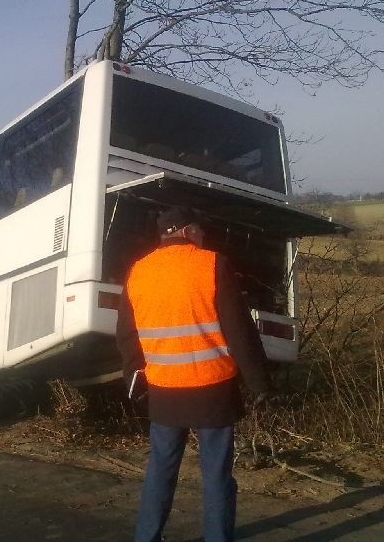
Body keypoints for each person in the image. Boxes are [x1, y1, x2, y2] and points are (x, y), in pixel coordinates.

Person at [116, 206, 271, 542]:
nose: (203, 236)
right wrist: (260, 384)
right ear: (187, 231)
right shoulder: (213, 264)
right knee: (216, 475)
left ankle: (146, 538)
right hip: (212, 388)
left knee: (161, 470)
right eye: (200, 230)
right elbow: (240, 331)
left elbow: (127, 336)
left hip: (164, 390)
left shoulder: (139, 271)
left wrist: (135, 380)